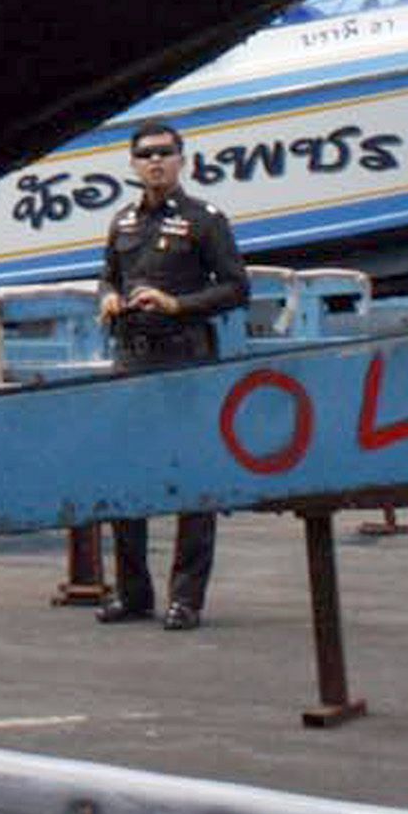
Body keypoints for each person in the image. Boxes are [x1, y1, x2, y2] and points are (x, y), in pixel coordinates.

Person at [95, 118, 248, 632]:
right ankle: (134, 593)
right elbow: (107, 278)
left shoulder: (205, 220)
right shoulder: (122, 223)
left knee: (191, 480)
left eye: (165, 153)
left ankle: (187, 598)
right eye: (145, 155)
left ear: (183, 161)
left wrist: (177, 303)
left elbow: (235, 288)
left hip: (185, 359)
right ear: (134, 165)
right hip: (132, 361)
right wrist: (109, 299)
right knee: (125, 478)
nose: (155, 162)